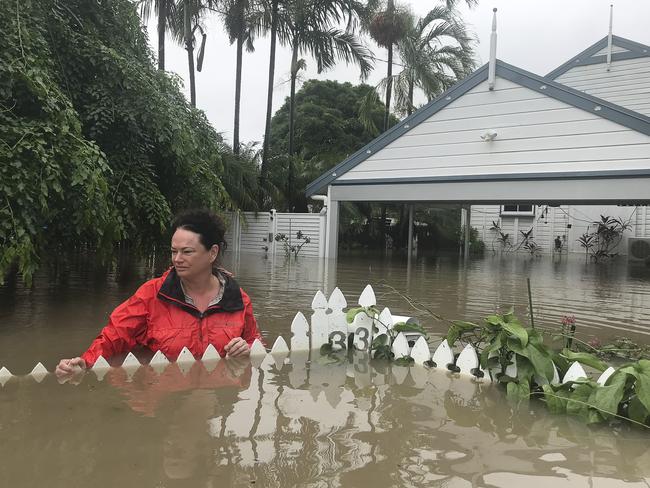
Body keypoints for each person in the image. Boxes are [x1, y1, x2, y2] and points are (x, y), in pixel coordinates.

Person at [55, 209, 263, 377]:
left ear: (213, 253)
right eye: (174, 251)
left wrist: (247, 349)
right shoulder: (151, 295)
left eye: (187, 252)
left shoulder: (238, 299)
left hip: (216, 400)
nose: (177, 259)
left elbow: (257, 343)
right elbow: (114, 336)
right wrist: (85, 362)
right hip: (165, 402)